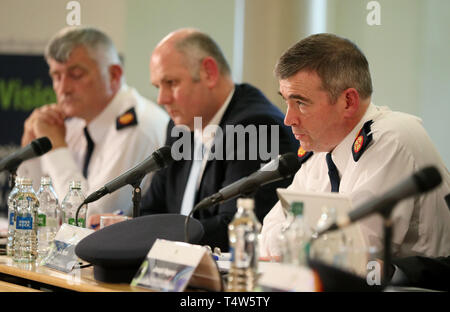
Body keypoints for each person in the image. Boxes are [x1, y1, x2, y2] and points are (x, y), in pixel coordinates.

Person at [88, 28, 297, 251]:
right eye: (158, 87)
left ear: (209, 72)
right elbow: (153, 209)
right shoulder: (182, 126)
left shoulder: (257, 126)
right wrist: (130, 228)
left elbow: (235, 228)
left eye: (171, 83)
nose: (162, 99)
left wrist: (151, 234)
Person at [260, 33, 450, 260]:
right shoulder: (322, 151)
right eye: (286, 101)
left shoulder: (391, 139)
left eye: (300, 103)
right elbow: (270, 229)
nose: (288, 119)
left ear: (348, 101)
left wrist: (292, 245)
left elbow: (353, 252)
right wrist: (294, 246)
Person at [18, 26, 169, 220]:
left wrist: (56, 147)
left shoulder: (137, 126)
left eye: (76, 75)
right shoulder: (76, 124)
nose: (63, 88)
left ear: (114, 75)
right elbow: (36, 212)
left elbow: (91, 219)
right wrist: (33, 150)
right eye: (56, 76)